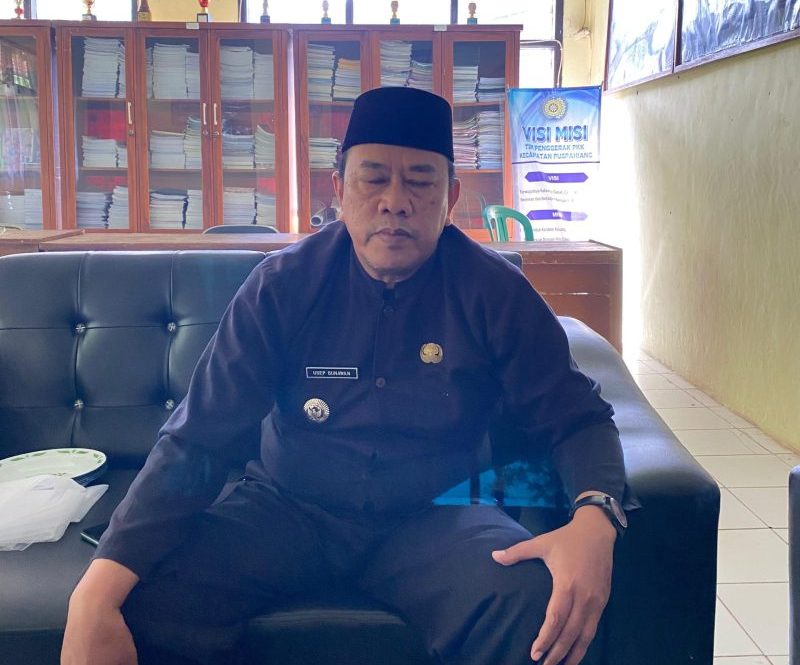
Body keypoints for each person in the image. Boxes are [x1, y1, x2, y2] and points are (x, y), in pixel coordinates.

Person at [61, 87, 628, 665]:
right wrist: (98, 587)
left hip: (440, 515)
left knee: (536, 606)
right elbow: (199, 437)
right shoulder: (282, 285)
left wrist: (596, 517)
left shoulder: (495, 291)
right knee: (135, 599)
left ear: (451, 197)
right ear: (338, 190)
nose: (395, 202)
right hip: (286, 510)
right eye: (373, 178)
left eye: (421, 182)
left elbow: (577, 419)